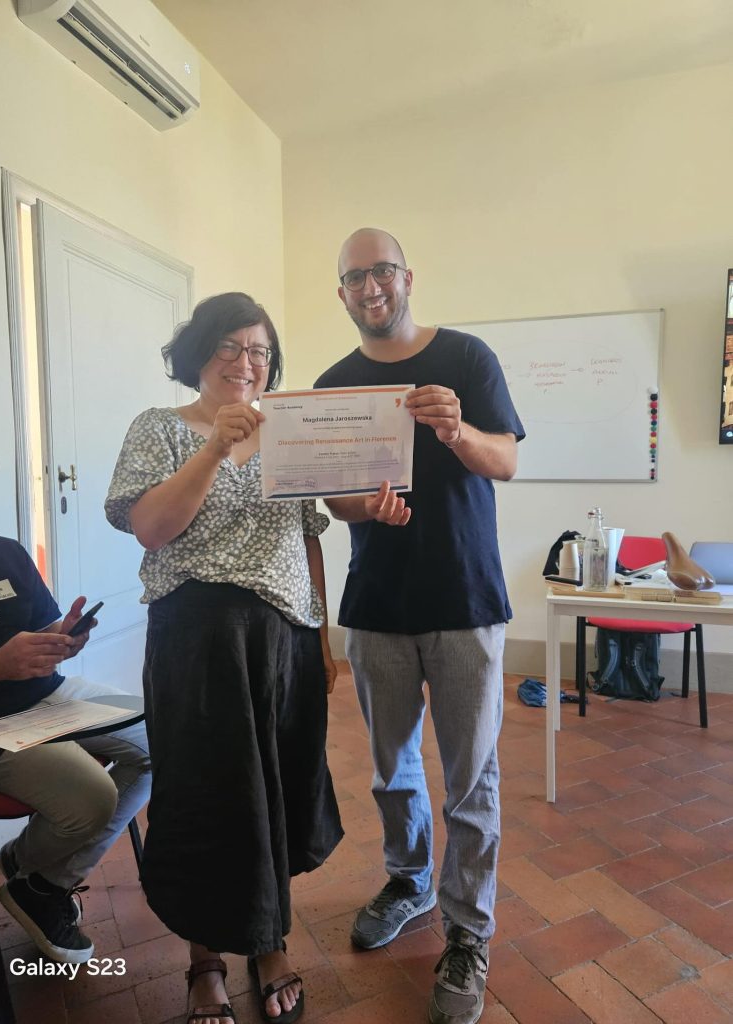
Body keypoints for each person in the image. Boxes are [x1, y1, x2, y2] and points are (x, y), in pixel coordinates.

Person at [105, 292, 342, 1024]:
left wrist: (322, 637)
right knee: (208, 796)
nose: (247, 363)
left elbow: (307, 539)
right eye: (231, 346)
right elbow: (152, 528)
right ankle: (204, 957)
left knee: (277, 790)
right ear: (199, 353)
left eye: (261, 351)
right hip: (199, 642)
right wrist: (214, 447)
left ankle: (268, 940)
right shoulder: (160, 429)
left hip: (284, 640)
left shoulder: (287, 432)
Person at [314, 229, 524, 1024]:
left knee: (472, 777)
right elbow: (333, 497)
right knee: (391, 767)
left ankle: (468, 929)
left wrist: (457, 431)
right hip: (378, 604)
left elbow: (506, 461)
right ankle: (409, 882)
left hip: (466, 599)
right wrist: (365, 507)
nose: (371, 287)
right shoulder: (334, 384)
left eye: (383, 272)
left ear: (408, 278)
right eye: (355, 277)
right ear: (342, 292)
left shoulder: (467, 358)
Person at [0, 438, 151, 965]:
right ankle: (34, 873)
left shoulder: (2, 552)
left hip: (45, 696)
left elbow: (40, 630)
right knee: (93, 798)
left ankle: (41, 882)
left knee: (165, 740)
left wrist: (61, 638)